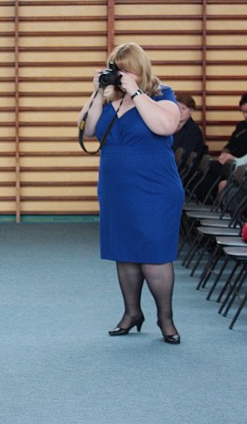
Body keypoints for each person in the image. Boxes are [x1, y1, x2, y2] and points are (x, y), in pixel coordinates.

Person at [78, 42, 183, 344]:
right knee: (124, 252)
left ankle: (166, 319)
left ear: (140, 69)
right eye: (116, 68)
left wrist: (136, 93)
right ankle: (132, 313)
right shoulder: (109, 98)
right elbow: (87, 130)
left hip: (154, 189)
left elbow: (165, 126)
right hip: (116, 188)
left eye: (127, 69)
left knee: (154, 254)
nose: (121, 74)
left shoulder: (163, 96)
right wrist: (97, 92)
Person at [217, 91, 247, 163]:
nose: (245, 115)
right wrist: (224, 153)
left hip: (245, 164)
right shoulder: (241, 125)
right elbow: (230, 144)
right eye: (243, 112)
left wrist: (235, 159)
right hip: (230, 162)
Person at [172, 93, 205, 165]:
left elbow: (184, 157)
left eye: (183, 108)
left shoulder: (194, 131)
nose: (179, 111)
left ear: (191, 111)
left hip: (184, 168)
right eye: (177, 108)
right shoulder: (170, 126)